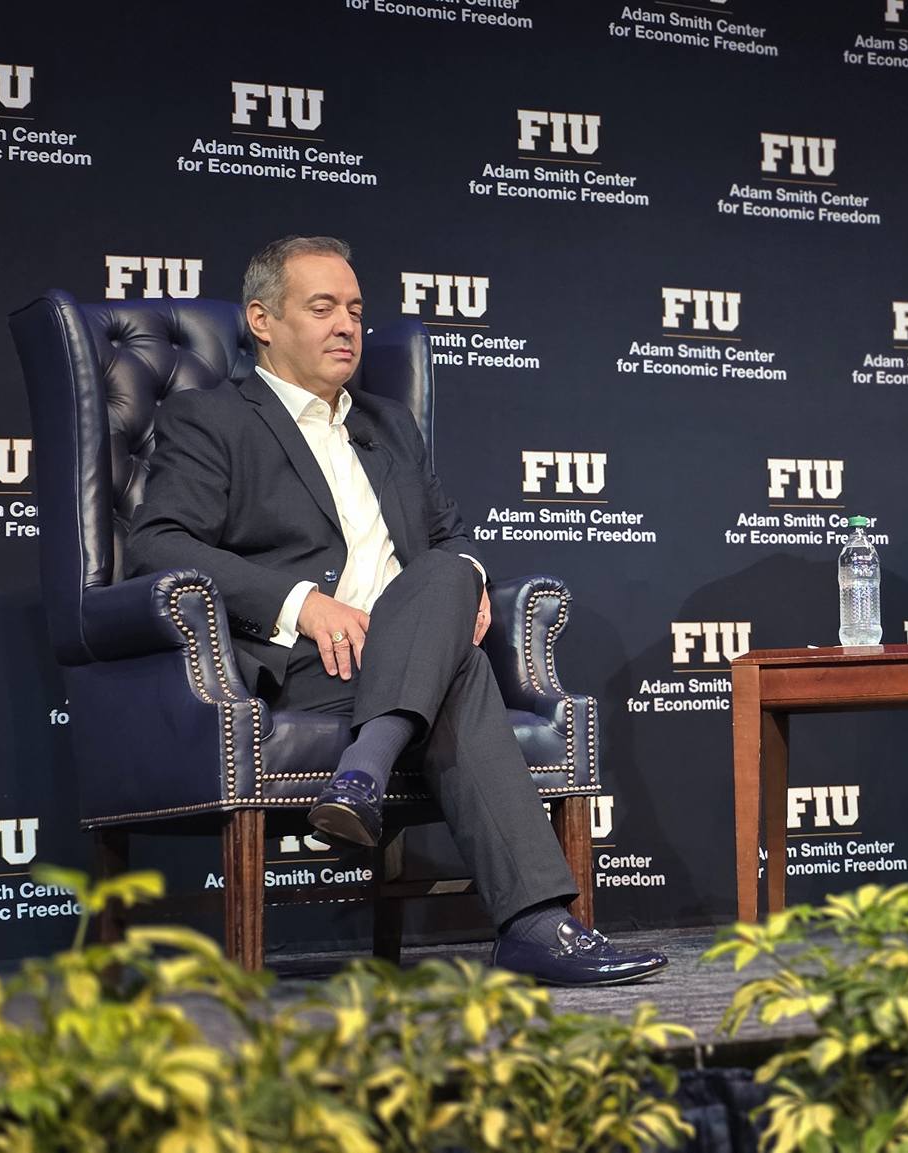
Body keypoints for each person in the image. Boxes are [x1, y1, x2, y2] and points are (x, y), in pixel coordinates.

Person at [128, 235, 665, 986]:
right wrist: (302, 603)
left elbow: (450, 539)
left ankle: (362, 775)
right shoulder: (210, 419)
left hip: (404, 645)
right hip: (310, 663)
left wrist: (470, 580)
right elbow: (156, 543)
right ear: (262, 319)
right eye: (322, 308)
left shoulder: (390, 426)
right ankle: (535, 926)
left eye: (354, 308)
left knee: (450, 574)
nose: (346, 324)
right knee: (464, 670)